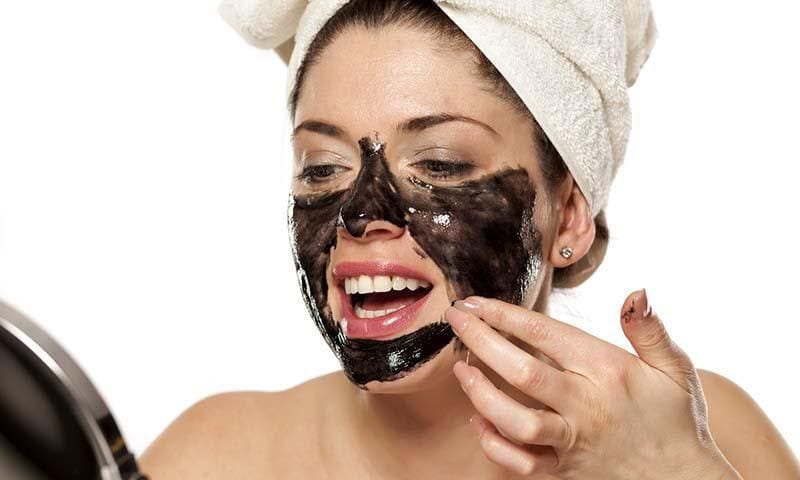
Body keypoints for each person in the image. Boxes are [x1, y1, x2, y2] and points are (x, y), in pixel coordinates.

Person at [139, 1, 800, 478]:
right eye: (322, 168)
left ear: (568, 214)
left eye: (441, 164)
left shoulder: (709, 437)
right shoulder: (213, 459)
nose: (359, 215)